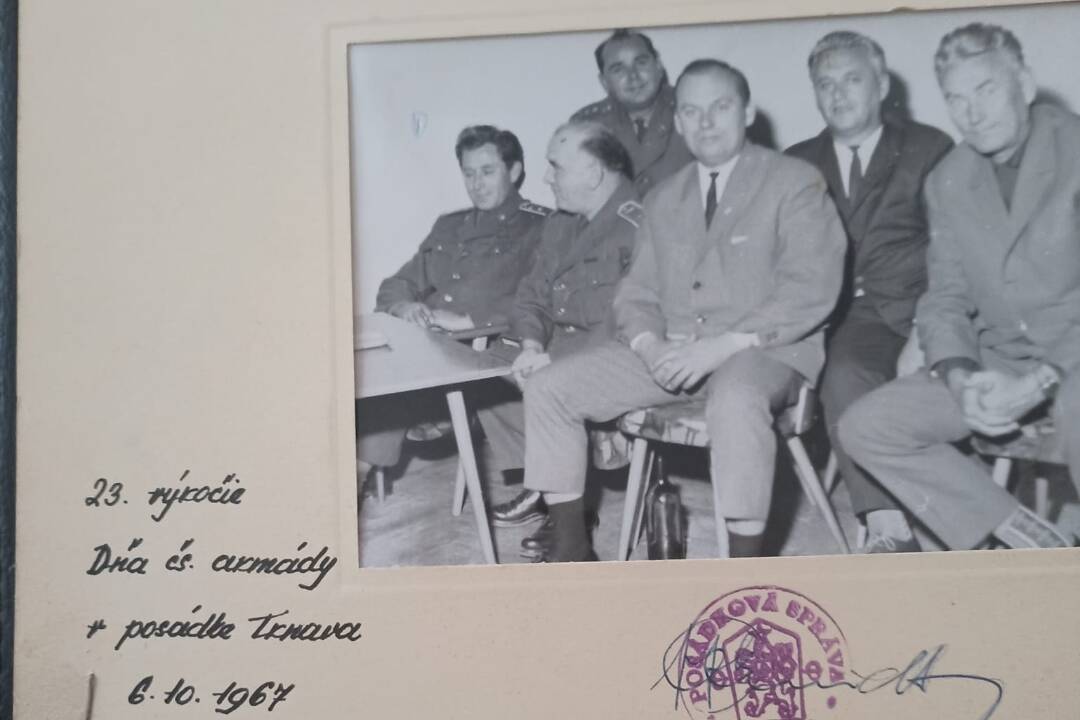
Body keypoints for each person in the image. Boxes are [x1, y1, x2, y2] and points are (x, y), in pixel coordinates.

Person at [520, 59, 846, 562]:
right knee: (549, 387)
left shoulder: (795, 181)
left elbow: (812, 286)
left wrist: (722, 347)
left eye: (720, 107)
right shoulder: (664, 197)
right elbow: (636, 292)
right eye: (691, 111)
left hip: (764, 348)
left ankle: (744, 571)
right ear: (677, 121)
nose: (706, 122)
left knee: (735, 398)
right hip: (674, 346)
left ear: (748, 113)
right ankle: (572, 554)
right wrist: (649, 345)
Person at [839, 23, 1080, 551]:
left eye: (986, 90)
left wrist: (1041, 380)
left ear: (1026, 85)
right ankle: (1024, 536)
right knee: (866, 426)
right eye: (956, 98)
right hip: (1002, 359)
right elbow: (944, 295)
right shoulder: (947, 179)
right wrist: (960, 375)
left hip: (1073, 355)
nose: (972, 112)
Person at [786, 31, 953, 553]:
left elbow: (955, 252)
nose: (838, 94)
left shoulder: (929, 148)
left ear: (881, 85)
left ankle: (930, 513)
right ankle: (888, 526)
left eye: (852, 79)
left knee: (861, 372)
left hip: (915, 309)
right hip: (834, 319)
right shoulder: (795, 162)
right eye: (825, 84)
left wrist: (926, 329)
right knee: (843, 369)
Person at [478, 122, 642, 556]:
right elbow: (532, 295)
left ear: (593, 173)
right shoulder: (561, 224)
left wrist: (552, 362)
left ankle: (569, 511)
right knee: (483, 371)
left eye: (556, 166)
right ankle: (547, 487)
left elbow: (633, 320)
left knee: (548, 386)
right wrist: (531, 344)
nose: (546, 177)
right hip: (556, 348)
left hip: (614, 355)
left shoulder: (641, 224)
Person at [356, 125, 550, 472]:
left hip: (484, 346)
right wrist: (404, 306)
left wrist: (469, 320)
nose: (477, 183)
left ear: (514, 171)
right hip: (430, 344)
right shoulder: (449, 225)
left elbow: (540, 297)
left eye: (487, 171)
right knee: (373, 369)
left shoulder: (541, 226)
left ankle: (387, 447)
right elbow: (399, 282)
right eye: (469, 173)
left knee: (400, 375)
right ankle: (355, 474)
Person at [571, 29, 694, 196]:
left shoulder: (693, 109)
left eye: (641, 62)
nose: (633, 76)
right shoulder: (587, 127)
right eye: (618, 69)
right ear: (604, 82)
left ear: (658, 67)